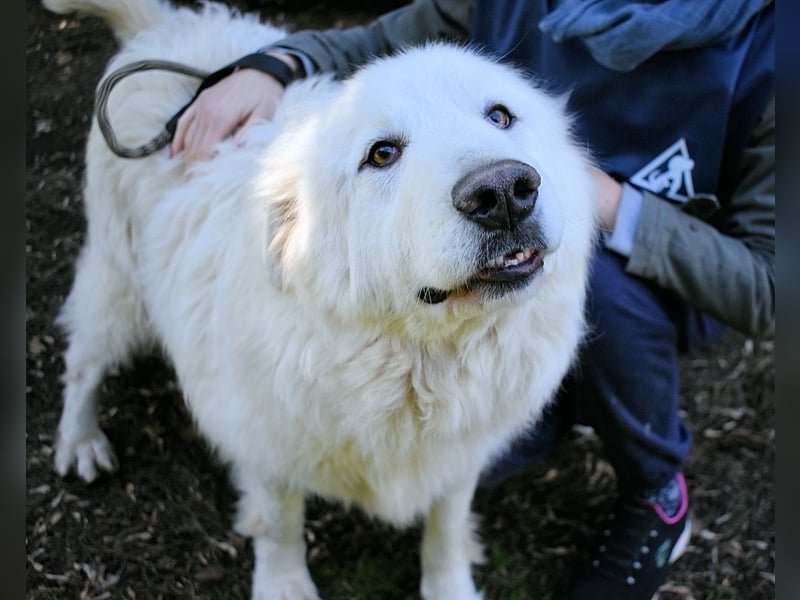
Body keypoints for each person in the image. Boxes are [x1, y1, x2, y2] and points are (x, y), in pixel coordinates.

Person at [170, 1, 775, 597]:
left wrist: (615, 207)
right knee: (468, 421)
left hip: (651, 279)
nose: (500, 181)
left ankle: (655, 491)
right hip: (503, 267)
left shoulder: (774, 51)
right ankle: (555, 407)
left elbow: (773, 289)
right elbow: (368, 45)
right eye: (384, 154)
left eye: (501, 117)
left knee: (599, 280)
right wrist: (271, 64)